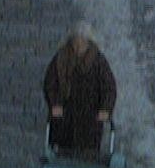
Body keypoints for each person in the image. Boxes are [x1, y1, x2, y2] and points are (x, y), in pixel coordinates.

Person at [44, 23, 118, 156]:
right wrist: (54, 103)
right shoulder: (60, 58)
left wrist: (106, 109)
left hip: (90, 119)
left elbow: (109, 87)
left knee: (88, 157)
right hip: (64, 118)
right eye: (75, 43)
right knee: (61, 156)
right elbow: (50, 84)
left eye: (82, 44)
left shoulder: (98, 61)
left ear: (88, 43)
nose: (78, 48)